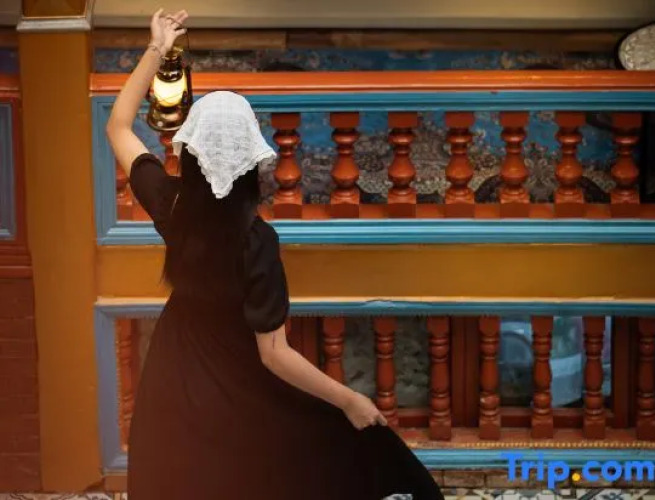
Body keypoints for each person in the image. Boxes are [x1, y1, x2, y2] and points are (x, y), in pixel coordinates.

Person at [106, 9, 443, 500]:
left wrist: (157, 48)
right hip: (238, 385)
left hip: (173, 377)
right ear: (250, 162)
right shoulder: (256, 241)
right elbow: (274, 354)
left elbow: (118, 126)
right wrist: (350, 400)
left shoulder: (171, 204)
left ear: (190, 151)